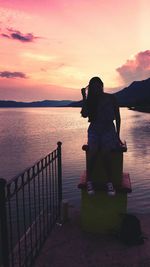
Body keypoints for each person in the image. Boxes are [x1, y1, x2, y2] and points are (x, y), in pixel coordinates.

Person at [81, 76, 122, 196]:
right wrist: (84, 98)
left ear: (101, 85)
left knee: (106, 153)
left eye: (97, 85)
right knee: (93, 152)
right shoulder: (91, 100)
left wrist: (117, 135)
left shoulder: (111, 98)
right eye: (93, 87)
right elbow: (84, 114)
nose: (96, 88)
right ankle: (89, 181)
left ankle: (110, 183)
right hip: (94, 129)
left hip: (108, 129)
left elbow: (118, 117)